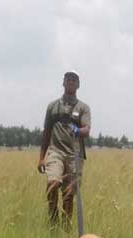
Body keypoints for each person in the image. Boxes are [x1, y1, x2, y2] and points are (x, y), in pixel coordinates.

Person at [38, 70, 91, 228]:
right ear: (63, 82)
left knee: (68, 195)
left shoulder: (83, 108)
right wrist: (42, 157)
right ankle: (53, 219)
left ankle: (65, 227)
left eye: (74, 80)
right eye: (68, 79)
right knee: (53, 183)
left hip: (75, 154)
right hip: (56, 152)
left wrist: (78, 131)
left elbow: (87, 129)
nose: (71, 82)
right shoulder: (53, 106)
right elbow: (46, 132)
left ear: (78, 85)